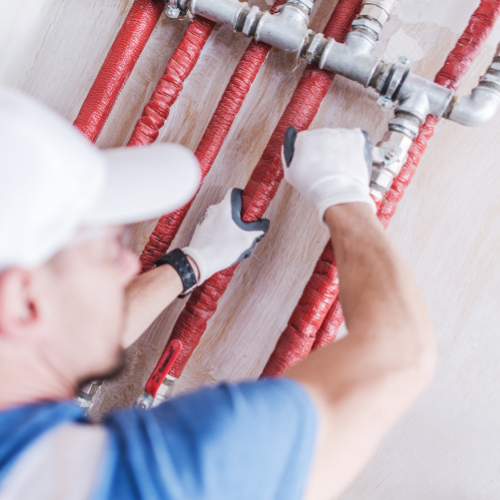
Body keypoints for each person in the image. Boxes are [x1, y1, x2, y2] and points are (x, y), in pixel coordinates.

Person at [0, 87, 436, 500]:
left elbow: (58, 333)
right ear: (22, 302)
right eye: (106, 249)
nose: (128, 264)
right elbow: (397, 357)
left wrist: (193, 263)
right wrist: (342, 194)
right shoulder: (153, 479)